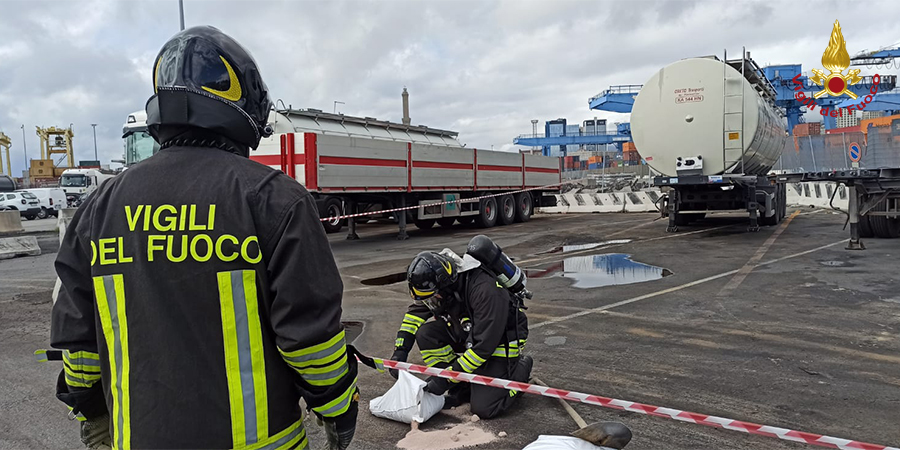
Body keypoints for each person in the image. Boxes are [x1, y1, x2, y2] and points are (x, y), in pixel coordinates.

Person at [50, 26, 358, 450]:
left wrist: (89, 408)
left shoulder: (99, 207)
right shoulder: (275, 199)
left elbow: (79, 345)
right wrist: (340, 407)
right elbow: (312, 343)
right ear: (244, 108)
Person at [390, 251, 532, 419]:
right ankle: (463, 386)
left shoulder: (486, 291)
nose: (431, 303)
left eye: (432, 297)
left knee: (485, 408)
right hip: (471, 332)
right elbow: (415, 314)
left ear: (446, 286)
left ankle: (521, 369)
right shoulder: (442, 285)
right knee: (426, 334)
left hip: (500, 341)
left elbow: (483, 348)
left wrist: (447, 379)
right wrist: (401, 349)